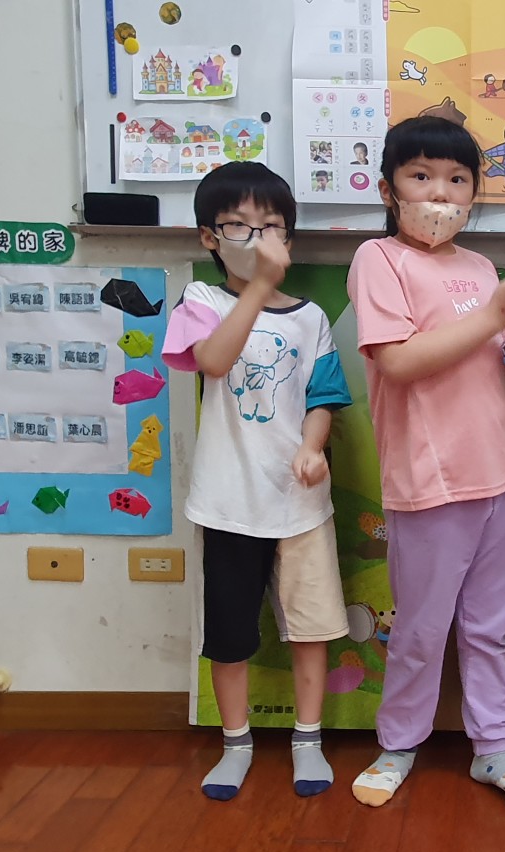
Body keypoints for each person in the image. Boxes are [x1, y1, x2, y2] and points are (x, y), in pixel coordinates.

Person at [346, 115, 505, 813]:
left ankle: (493, 748)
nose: (440, 192)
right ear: (389, 189)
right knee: (422, 628)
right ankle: (399, 745)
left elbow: (476, 359)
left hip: (503, 476)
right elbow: (399, 362)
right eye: (421, 175)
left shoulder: (481, 269)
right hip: (429, 485)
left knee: (494, 628)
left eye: (458, 179)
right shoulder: (379, 259)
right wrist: (492, 319)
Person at [161, 162, 353, 801]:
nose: (257, 239)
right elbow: (213, 362)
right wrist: (259, 287)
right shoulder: (201, 300)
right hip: (228, 503)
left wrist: (312, 447)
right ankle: (236, 743)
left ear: (288, 239)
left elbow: (323, 397)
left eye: (270, 227)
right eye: (238, 226)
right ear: (209, 237)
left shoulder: (312, 318)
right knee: (230, 637)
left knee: (311, 629)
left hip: (301, 506)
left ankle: (307, 739)